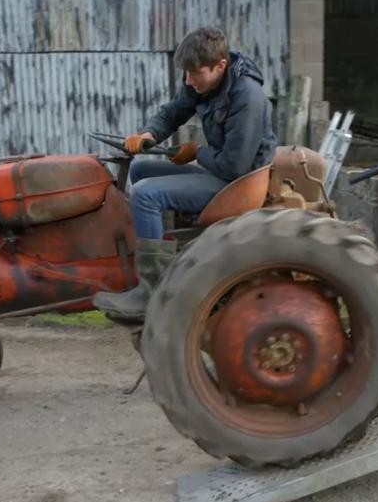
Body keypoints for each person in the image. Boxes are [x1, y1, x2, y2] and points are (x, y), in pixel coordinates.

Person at [94, 26, 277, 320]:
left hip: (238, 183)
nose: (190, 81)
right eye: (187, 74)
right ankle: (164, 250)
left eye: (196, 74)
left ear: (220, 65)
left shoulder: (247, 97)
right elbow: (174, 112)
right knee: (140, 169)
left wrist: (197, 152)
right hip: (221, 172)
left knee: (145, 194)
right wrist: (148, 134)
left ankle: (156, 290)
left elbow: (235, 166)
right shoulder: (202, 82)